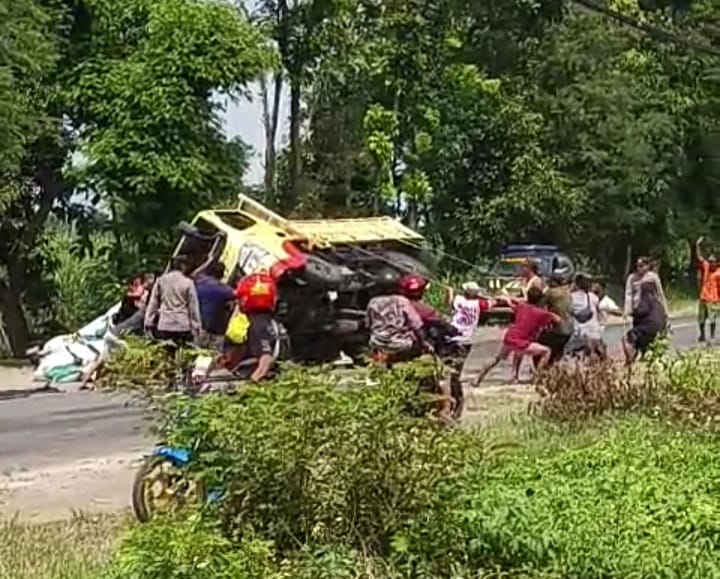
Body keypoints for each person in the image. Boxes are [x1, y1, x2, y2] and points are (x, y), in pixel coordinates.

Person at [474, 287, 560, 386]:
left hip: (510, 337)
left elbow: (510, 303)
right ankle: (538, 377)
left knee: (497, 359)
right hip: (521, 341)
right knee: (547, 351)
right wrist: (550, 312)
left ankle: (478, 378)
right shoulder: (541, 313)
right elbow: (557, 319)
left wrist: (507, 298)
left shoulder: (521, 306)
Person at [219, 273, 280, 381]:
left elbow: (266, 359)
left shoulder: (258, 325)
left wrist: (250, 386)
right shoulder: (266, 321)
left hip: (250, 379)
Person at [144, 255, 202, 350]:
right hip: (182, 325)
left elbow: (153, 303)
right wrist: (196, 326)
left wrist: (148, 322)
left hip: (165, 324)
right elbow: (193, 307)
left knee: (165, 355)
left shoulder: (161, 281)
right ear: (183, 267)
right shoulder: (188, 283)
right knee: (181, 355)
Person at [366, 268, 425, 358]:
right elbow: (417, 324)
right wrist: (424, 343)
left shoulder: (372, 302)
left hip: (377, 343)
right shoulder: (402, 301)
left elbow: (368, 325)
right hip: (400, 344)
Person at [623, 280, 667, 365]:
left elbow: (642, 310)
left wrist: (631, 312)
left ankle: (630, 361)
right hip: (661, 329)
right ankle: (644, 357)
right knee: (642, 339)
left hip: (650, 328)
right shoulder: (658, 302)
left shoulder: (646, 297)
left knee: (627, 338)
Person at [194, 261, 235, 350]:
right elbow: (237, 294)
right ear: (222, 274)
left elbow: (195, 274)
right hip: (214, 330)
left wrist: (209, 260)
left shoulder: (199, 281)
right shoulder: (223, 290)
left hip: (196, 326)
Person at [537, 273, 573, 365]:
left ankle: (540, 370)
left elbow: (538, 306)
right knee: (556, 351)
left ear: (553, 282)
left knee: (538, 340)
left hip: (559, 330)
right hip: (570, 329)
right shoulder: (567, 292)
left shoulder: (550, 292)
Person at [567, 273, 604, 360]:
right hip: (595, 333)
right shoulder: (594, 297)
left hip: (579, 334)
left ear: (575, 284)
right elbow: (599, 314)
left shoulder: (570, 298)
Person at [447, 282, 492, 347]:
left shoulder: (459, 299)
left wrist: (450, 292)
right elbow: (492, 302)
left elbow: (450, 303)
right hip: (467, 332)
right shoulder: (479, 303)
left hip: (454, 328)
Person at [624, 256, 668, 320]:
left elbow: (660, 293)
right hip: (637, 308)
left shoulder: (653, 277)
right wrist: (627, 310)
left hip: (651, 309)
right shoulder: (632, 278)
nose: (639, 268)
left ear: (647, 266)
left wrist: (665, 309)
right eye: (638, 266)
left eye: (641, 266)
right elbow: (628, 294)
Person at [695, 237, 720, 342]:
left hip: (713, 298)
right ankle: (702, 335)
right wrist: (697, 245)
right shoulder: (706, 267)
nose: (711, 263)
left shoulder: (718, 272)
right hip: (703, 297)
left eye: (713, 261)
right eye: (710, 261)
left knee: (712, 318)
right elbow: (699, 257)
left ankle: (712, 336)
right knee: (701, 318)